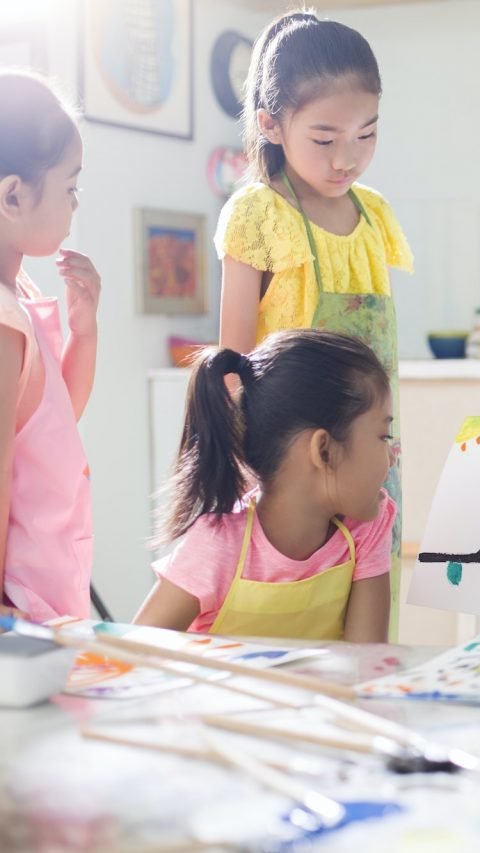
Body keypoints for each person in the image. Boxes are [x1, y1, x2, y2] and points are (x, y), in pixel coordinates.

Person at [216, 9, 413, 628]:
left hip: (370, 457)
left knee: (369, 618)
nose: (346, 158)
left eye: (367, 134)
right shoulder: (257, 214)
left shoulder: (374, 214)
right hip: (290, 467)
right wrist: (240, 471)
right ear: (271, 125)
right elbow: (232, 363)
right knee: (293, 619)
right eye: (325, 139)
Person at [134, 330, 396, 642]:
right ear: (323, 450)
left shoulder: (367, 530)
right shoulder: (217, 546)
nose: (393, 456)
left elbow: (367, 660)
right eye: (383, 437)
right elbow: (136, 651)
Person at [0, 72, 102, 622]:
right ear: (13, 196)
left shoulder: (22, 296)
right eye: (70, 189)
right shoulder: (4, 320)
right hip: (18, 604)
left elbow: (56, 419)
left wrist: (84, 332)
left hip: (47, 590)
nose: (75, 205)